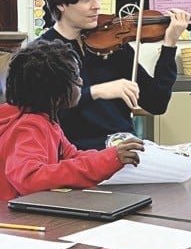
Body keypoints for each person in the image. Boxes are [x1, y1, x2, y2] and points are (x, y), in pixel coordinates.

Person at [41, 0, 190, 151]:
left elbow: (157, 103)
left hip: (124, 149)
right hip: (77, 154)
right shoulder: (42, 52)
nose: (97, 6)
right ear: (61, 4)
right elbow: (45, 114)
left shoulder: (113, 43)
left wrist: (169, 46)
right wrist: (95, 92)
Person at [0, 39, 144, 201]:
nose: (81, 81)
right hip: (12, 220)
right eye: (76, 77)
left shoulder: (45, 119)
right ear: (55, 91)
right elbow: (29, 178)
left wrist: (111, 157)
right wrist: (110, 159)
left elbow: (72, 156)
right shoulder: (31, 126)